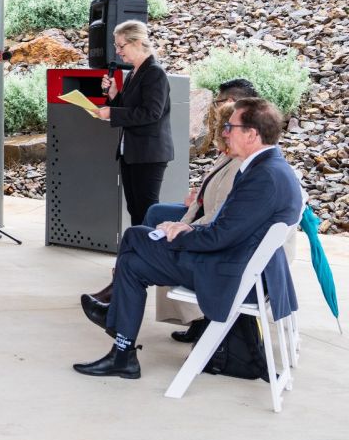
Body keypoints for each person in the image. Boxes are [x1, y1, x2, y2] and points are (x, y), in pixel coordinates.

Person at [73, 98, 303, 379]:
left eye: (232, 126)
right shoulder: (269, 167)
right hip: (238, 264)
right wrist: (187, 229)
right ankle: (122, 352)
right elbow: (229, 228)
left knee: (135, 237)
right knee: (133, 262)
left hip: (229, 272)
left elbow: (220, 236)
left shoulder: (264, 177)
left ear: (252, 134)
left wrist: (183, 233)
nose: (226, 132)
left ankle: (118, 338)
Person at [137, 78, 264, 343]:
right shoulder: (235, 143)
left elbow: (223, 216)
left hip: (223, 246)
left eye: (220, 102)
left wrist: (185, 227)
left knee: (148, 237)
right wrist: (200, 195)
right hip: (211, 219)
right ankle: (126, 290)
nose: (216, 108)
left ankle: (189, 314)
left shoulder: (249, 154)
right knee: (154, 217)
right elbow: (217, 190)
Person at [87, 20, 173, 305]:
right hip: (132, 153)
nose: (118, 52)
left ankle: (134, 278)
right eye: (116, 46)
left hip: (148, 155)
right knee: (137, 214)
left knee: (145, 216)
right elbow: (132, 106)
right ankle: (126, 279)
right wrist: (114, 96)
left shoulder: (155, 73)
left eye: (121, 45)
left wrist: (112, 112)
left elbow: (150, 113)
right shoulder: (137, 72)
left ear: (138, 42)